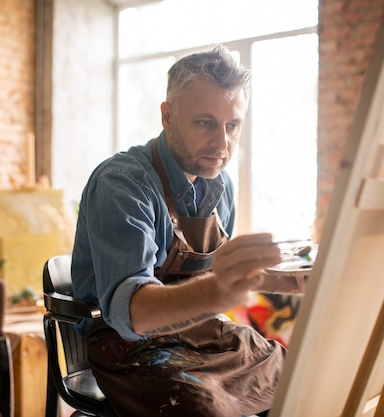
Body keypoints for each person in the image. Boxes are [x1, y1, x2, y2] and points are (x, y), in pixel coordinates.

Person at [71, 45, 287, 417]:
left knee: (295, 373)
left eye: (232, 125)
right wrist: (217, 290)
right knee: (200, 407)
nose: (222, 143)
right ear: (167, 116)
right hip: (128, 346)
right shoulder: (122, 184)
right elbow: (131, 314)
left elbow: (215, 281)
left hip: (197, 334)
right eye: (205, 123)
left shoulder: (221, 186)